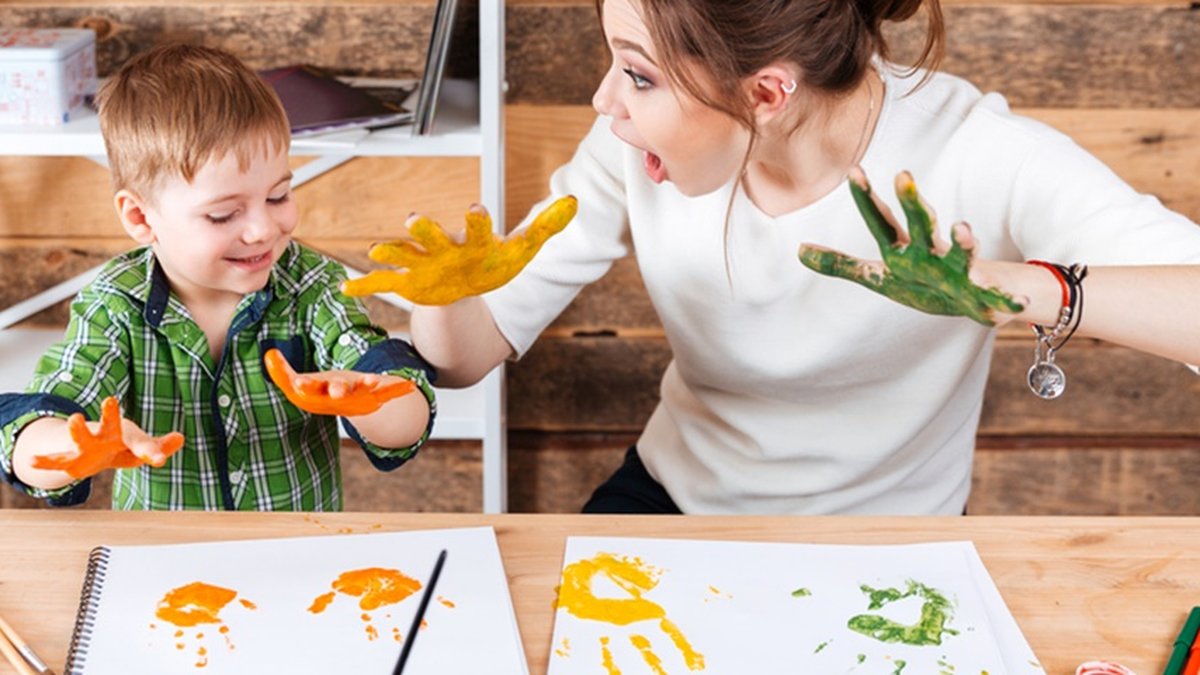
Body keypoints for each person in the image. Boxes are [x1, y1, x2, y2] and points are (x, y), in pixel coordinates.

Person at [407, 0, 1200, 515]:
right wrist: (443, 299)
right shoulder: (629, 142)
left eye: (639, 74)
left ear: (766, 94)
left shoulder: (978, 153)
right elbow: (470, 354)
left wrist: (1012, 287)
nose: (605, 101)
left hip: (891, 544)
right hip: (670, 503)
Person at [0, 44, 435, 510]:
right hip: (166, 564)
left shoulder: (312, 285)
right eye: (223, 215)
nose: (263, 229)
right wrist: (71, 448)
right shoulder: (114, 304)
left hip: (296, 555)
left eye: (278, 196)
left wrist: (370, 401)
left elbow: (404, 418)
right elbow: (39, 421)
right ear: (141, 218)